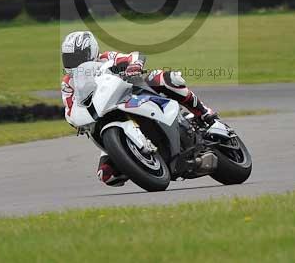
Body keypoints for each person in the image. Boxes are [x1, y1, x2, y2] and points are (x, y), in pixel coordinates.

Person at [60, 30, 217, 187]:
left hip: (131, 96)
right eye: (70, 58)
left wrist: (134, 65)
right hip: (103, 116)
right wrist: (75, 120)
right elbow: (70, 108)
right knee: (106, 175)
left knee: (163, 78)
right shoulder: (68, 82)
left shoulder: (106, 58)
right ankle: (137, 161)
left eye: (78, 58)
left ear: (91, 51)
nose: (75, 62)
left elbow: (135, 56)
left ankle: (202, 112)